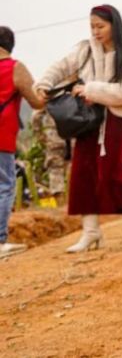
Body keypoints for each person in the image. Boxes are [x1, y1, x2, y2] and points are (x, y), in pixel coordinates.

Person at [34, 6, 122, 253]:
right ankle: (91, 232)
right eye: (92, 26)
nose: (95, 31)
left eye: (100, 26)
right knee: (82, 173)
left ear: (114, 25)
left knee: (111, 174)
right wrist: (44, 83)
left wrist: (92, 89)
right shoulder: (84, 49)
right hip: (86, 118)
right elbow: (60, 66)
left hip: (115, 118)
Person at [0, 27, 47, 257]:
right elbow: (36, 102)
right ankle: (0, 242)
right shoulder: (14, 68)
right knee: (5, 187)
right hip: (2, 138)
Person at [30, 109, 69, 197]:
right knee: (74, 169)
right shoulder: (74, 95)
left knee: (55, 171)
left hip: (53, 138)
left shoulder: (49, 96)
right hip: (75, 137)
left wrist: (39, 135)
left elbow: (35, 116)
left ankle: (60, 203)